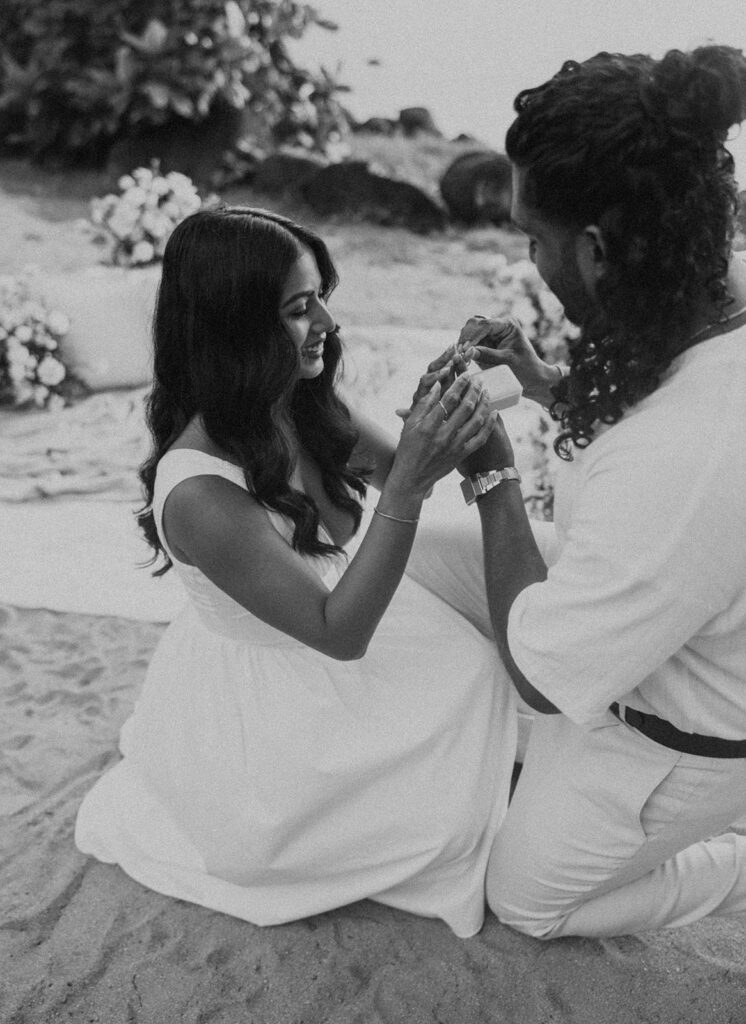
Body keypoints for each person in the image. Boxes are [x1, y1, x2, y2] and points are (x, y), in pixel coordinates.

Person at [74, 205, 519, 939]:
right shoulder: (198, 494)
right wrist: (408, 481)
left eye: (321, 298)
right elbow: (337, 632)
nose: (325, 324)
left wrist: (447, 403)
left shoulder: (298, 400)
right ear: (237, 325)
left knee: (476, 674)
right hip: (287, 689)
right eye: (297, 308)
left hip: (351, 617)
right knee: (450, 815)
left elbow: (402, 466)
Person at [411, 44, 746, 939]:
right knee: (403, 553)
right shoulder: (709, 297)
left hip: (676, 736)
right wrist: (549, 378)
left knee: (522, 902)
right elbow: (653, 414)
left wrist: (490, 473)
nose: (528, 255)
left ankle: (733, 862)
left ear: (597, 251)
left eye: (535, 238)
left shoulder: (691, 453)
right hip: (636, 606)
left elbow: (541, 673)